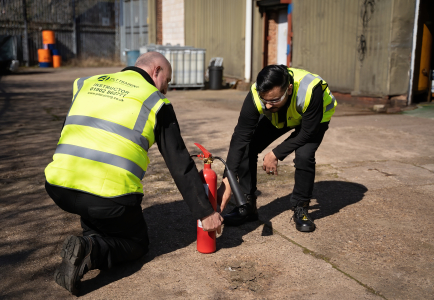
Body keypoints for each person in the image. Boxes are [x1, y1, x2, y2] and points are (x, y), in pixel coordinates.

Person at [44, 52, 223, 295]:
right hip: (108, 197)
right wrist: (206, 212)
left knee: (97, 212)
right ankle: (92, 250)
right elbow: (179, 161)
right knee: (136, 244)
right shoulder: (155, 102)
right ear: (156, 70)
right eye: (167, 81)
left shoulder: (87, 83)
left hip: (59, 186)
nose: (166, 89)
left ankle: (89, 239)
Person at [217, 65, 336, 232]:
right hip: (283, 114)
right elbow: (240, 136)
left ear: (288, 89)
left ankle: (300, 208)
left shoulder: (311, 89)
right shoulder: (259, 95)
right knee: (247, 147)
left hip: (313, 121)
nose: (267, 106)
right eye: (264, 100)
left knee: (304, 155)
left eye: (273, 100)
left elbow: (307, 132)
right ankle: (247, 206)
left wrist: (276, 153)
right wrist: (227, 179)